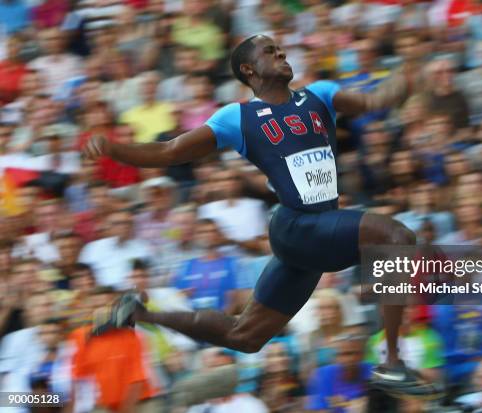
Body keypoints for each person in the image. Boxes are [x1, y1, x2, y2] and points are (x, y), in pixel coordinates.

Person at [83, 34, 439, 397]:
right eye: (270, 51)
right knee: (396, 238)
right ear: (249, 70)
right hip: (296, 227)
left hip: (315, 234)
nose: (282, 52)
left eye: (281, 48)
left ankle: (139, 316)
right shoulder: (238, 117)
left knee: (245, 336)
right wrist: (115, 149)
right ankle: (392, 363)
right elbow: (170, 151)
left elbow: (376, 99)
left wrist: (407, 74)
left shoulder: (320, 95)